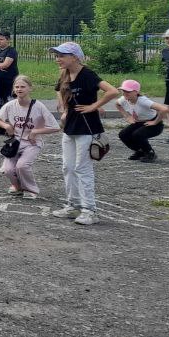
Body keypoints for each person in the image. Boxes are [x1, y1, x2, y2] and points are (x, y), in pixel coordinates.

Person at [50, 42, 120, 226]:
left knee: (82, 168)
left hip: (87, 127)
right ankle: (72, 206)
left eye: (62, 55)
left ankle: (90, 210)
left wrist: (94, 106)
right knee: (68, 167)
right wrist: (64, 109)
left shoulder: (87, 74)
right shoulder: (64, 74)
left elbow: (112, 91)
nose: (58, 59)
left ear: (74, 57)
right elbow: (59, 91)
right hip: (70, 127)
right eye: (57, 55)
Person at [0, 75, 59, 199]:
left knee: (22, 166)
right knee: (7, 169)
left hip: (32, 142)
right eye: (17, 87)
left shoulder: (38, 106)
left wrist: (35, 131)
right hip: (15, 142)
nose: (19, 89)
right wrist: (6, 126)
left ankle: (30, 189)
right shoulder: (10, 105)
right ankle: (17, 186)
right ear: (13, 89)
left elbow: (55, 127)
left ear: (30, 88)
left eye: (23, 87)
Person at [114, 79, 169, 162]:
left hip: (154, 125)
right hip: (139, 122)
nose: (125, 93)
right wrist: (127, 116)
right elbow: (117, 104)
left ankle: (150, 153)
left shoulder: (143, 101)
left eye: (128, 91)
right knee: (123, 134)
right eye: (123, 91)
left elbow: (164, 109)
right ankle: (140, 151)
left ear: (136, 92)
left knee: (137, 134)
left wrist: (155, 122)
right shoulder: (123, 99)